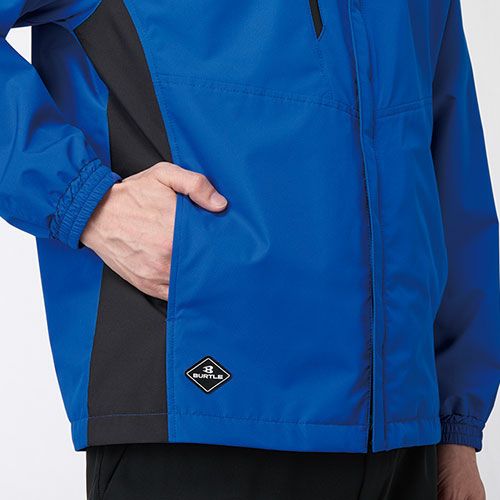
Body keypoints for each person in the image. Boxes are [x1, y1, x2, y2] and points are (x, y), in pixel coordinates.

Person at [0, 0, 498, 499]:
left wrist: (456, 423)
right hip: (201, 409)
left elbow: (449, 153)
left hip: (404, 434)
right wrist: (85, 200)